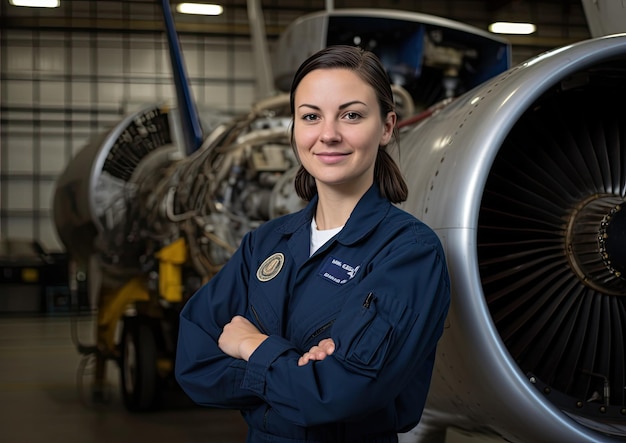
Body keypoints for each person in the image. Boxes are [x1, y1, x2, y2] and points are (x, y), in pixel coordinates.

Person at [175, 45, 451, 443]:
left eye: (352, 115)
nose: (328, 134)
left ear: (388, 127)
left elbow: (339, 394)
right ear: (295, 129)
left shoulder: (409, 253)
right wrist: (298, 371)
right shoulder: (265, 242)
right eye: (310, 116)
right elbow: (194, 364)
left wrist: (253, 346)